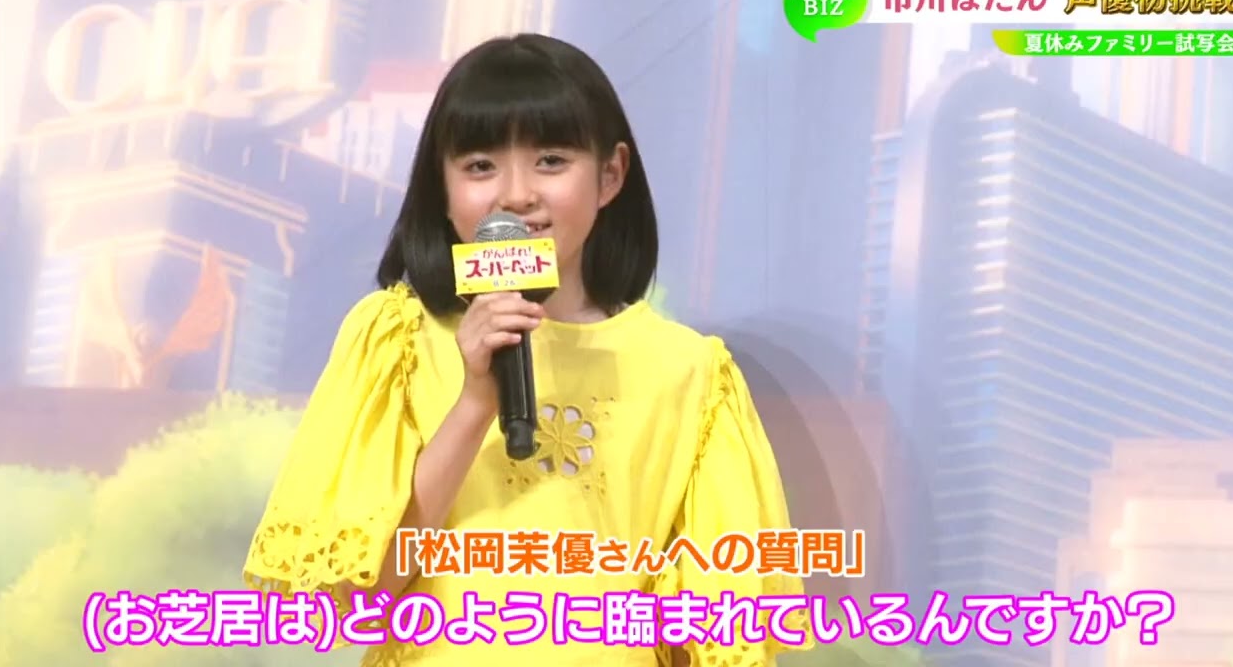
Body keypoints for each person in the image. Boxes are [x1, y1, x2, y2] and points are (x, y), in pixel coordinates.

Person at [242, 33, 811, 666]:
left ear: (611, 175)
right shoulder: (398, 338)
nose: (516, 195)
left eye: (550, 160)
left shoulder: (690, 373)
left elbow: (708, 638)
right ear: (443, 189)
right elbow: (359, 600)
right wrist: (474, 402)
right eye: (480, 166)